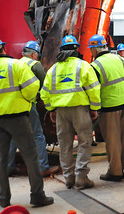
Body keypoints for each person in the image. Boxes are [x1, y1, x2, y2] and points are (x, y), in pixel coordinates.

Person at [0, 36, 53, 208]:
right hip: (18, 118)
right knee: (31, 157)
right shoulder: (16, 65)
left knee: (1, 160)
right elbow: (33, 87)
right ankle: (37, 195)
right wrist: (25, 100)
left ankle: (3, 198)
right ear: (3, 48)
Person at [41, 35, 101, 190]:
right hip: (80, 110)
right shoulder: (84, 66)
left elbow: (44, 93)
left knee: (65, 145)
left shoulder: (53, 69)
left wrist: (51, 109)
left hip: (61, 112)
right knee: (84, 142)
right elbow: (94, 88)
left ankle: (69, 178)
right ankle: (81, 177)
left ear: (61, 50)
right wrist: (94, 107)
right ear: (76, 49)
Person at [8, 41, 60, 177]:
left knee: (14, 136)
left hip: (13, 106)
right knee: (38, 135)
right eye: (36, 55)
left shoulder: (15, 64)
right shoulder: (35, 65)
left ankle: (8, 167)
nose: (37, 57)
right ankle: (43, 166)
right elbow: (44, 87)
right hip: (28, 105)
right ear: (33, 54)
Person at [89, 34, 124, 182]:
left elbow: (94, 89)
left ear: (95, 50)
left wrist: (94, 108)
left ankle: (115, 172)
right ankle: (122, 167)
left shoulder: (95, 66)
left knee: (113, 141)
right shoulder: (120, 59)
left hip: (110, 107)